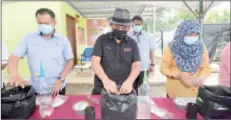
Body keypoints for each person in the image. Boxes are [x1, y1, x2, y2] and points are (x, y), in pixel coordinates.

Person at [7, 8, 74, 95]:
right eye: (40, 23)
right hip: (36, 87)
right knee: (37, 108)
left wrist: (61, 79)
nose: (43, 26)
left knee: (59, 108)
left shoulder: (63, 40)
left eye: (46, 23)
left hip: (57, 86)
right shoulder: (29, 38)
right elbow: (14, 57)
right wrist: (13, 74)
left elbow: (70, 61)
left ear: (54, 22)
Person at [91, 8, 141, 95]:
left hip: (125, 89)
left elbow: (137, 65)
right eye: (117, 27)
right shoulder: (101, 40)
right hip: (103, 87)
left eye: (124, 27)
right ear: (111, 25)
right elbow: (95, 62)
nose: (121, 30)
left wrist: (129, 82)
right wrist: (106, 81)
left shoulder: (132, 43)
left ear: (129, 27)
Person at [160, 20, 211, 97]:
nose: (193, 37)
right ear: (182, 33)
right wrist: (178, 75)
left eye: (196, 34)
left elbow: (206, 67)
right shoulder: (171, 48)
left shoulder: (201, 47)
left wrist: (202, 77)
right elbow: (163, 69)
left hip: (195, 91)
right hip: (175, 92)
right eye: (190, 34)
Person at [127, 15, 155, 95]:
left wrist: (152, 64)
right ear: (132, 25)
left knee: (144, 89)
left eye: (139, 24)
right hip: (131, 68)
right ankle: (133, 105)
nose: (137, 26)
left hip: (145, 68)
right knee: (131, 89)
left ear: (142, 25)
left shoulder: (148, 36)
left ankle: (143, 105)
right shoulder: (128, 36)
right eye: (135, 24)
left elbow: (152, 50)